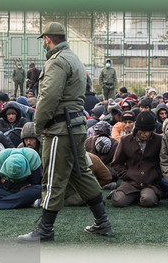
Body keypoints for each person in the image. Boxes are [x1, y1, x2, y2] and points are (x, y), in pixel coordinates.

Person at [17, 22, 112, 242]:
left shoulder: (56, 61)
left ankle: (45, 230)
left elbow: (48, 97)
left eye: (43, 39)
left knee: (52, 178)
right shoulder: (72, 57)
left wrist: (38, 126)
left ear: (47, 39)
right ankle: (102, 221)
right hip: (76, 127)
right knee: (80, 174)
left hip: (60, 129)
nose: (43, 42)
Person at [109, 111, 163, 208]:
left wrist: (156, 175)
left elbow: (164, 162)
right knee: (117, 201)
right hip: (131, 182)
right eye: (143, 131)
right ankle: (125, 193)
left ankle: (137, 196)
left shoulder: (159, 140)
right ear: (137, 129)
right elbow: (116, 163)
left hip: (150, 183)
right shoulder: (125, 140)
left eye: (149, 131)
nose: (146, 134)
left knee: (148, 201)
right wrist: (126, 175)